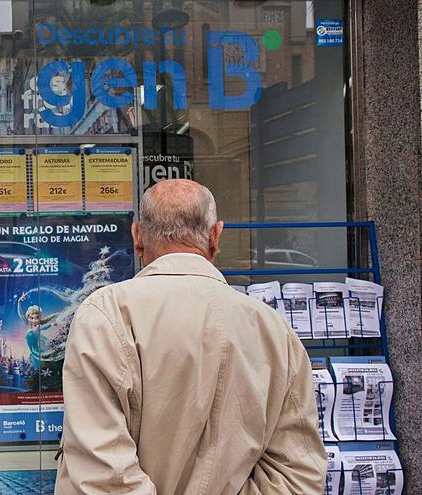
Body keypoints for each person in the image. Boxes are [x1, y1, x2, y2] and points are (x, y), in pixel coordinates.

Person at [55, 179, 326, 494]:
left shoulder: (106, 314)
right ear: (215, 236)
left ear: (137, 236)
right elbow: (298, 475)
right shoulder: (273, 330)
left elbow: (103, 474)